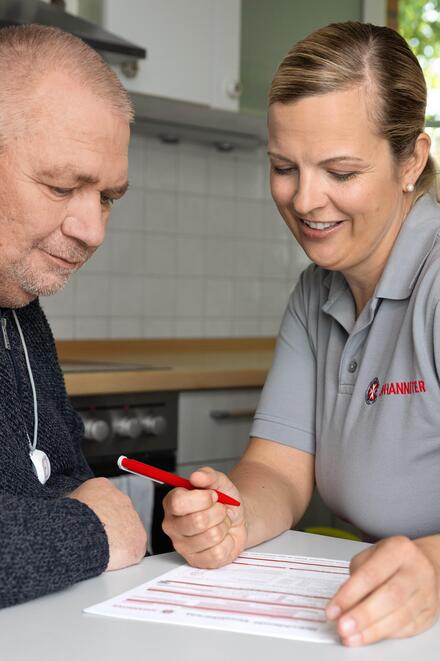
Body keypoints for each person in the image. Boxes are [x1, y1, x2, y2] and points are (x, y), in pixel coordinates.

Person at [162, 21, 440, 646]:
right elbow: (278, 472)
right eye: (284, 167)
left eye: (340, 172)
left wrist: (434, 571)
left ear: (411, 161)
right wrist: (231, 515)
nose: (306, 200)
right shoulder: (317, 291)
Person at [0, 24, 147, 609]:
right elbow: (92, 513)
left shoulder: (19, 306)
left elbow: (65, 482)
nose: (93, 231)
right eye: (62, 186)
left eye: (107, 198)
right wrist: (92, 530)